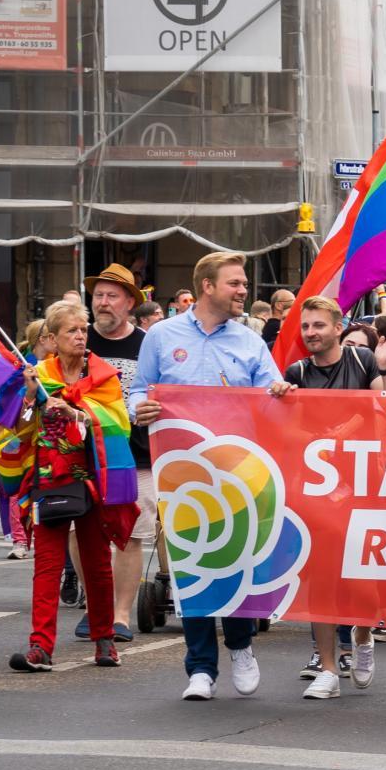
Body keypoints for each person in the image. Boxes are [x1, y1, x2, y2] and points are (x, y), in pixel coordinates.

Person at [130, 253, 294, 701]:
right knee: (191, 564)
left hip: (239, 468)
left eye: (244, 284)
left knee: (238, 558)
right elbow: (140, 388)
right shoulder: (161, 336)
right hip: (182, 468)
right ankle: (200, 668)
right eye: (236, 283)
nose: (244, 290)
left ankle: (241, 647)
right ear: (207, 286)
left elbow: (272, 390)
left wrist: (280, 390)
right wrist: (137, 408)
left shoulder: (249, 341)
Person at [281, 296, 386, 696]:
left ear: (338, 327)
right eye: (306, 327)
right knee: (321, 577)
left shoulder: (363, 360)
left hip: (364, 484)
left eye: (318, 325)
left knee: (362, 577)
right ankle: (329, 670)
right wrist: (286, 405)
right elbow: (285, 431)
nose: (311, 333)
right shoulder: (296, 372)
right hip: (317, 488)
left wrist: (384, 367)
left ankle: (364, 635)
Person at [7, 300, 136, 673]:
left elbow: (118, 423)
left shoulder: (104, 374)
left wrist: (77, 412)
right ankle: (39, 646)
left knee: (97, 564)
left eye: (84, 329)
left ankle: (105, 640)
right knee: (46, 564)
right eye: (72, 331)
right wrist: (31, 395)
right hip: (49, 479)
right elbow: (20, 427)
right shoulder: (39, 373)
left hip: (95, 480)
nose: (81, 336)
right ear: (51, 338)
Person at [73, 263, 157, 644]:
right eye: (98, 296)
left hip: (135, 454)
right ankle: (96, 606)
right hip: (81, 454)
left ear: (129, 303)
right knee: (79, 530)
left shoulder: (148, 344)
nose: (103, 304)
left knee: (130, 534)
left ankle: (120, 614)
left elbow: (163, 391)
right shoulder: (78, 340)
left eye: (112, 297)